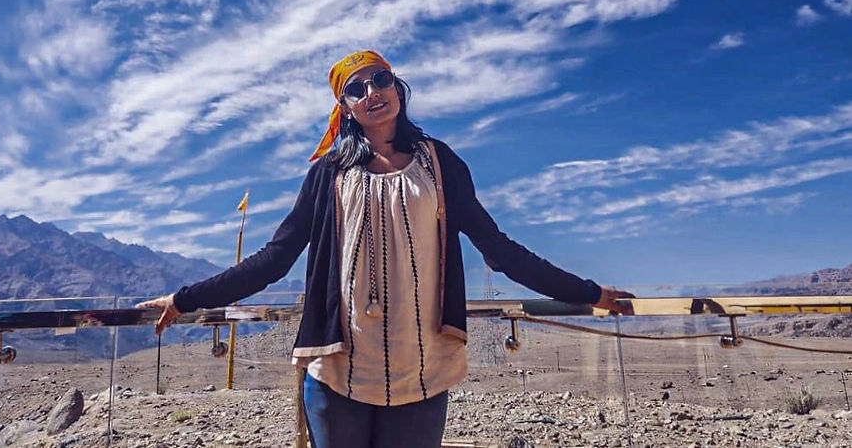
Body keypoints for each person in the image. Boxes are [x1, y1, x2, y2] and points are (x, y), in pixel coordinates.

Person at [139, 49, 633, 448]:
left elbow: (499, 250)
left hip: (422, 368)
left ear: (397, 87)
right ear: (345, 108)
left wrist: (590, 292)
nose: (372, 92)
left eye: (380, 79)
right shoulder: (328, 175)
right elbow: (274, 259)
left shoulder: (440, 165)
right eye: (356, 89)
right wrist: (185, 299)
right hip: (338, 366)